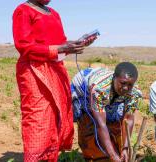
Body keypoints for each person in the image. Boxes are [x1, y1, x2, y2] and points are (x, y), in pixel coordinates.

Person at [12, 0, 96, 161]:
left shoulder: (54, 14)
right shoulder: (23, 11)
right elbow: (24, 47)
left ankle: (51, 157)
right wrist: (60, 48)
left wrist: (75, 45)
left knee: (56, 116)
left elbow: (61, 45)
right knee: (38, 118)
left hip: (56, 69)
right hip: (33, 71)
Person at [70, 62, 142, 162]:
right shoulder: (99, 89)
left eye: (130, 84)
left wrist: (125, 148)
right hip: (84, 88)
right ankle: (92, 154)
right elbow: (100, 125)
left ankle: (112, 148)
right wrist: (112, 155)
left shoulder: (134, 93)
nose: (126, 88)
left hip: (107, 92)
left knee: (115, 122)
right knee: (89, 123)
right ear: (114, 78)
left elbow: (128, 120)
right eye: (123, 83)